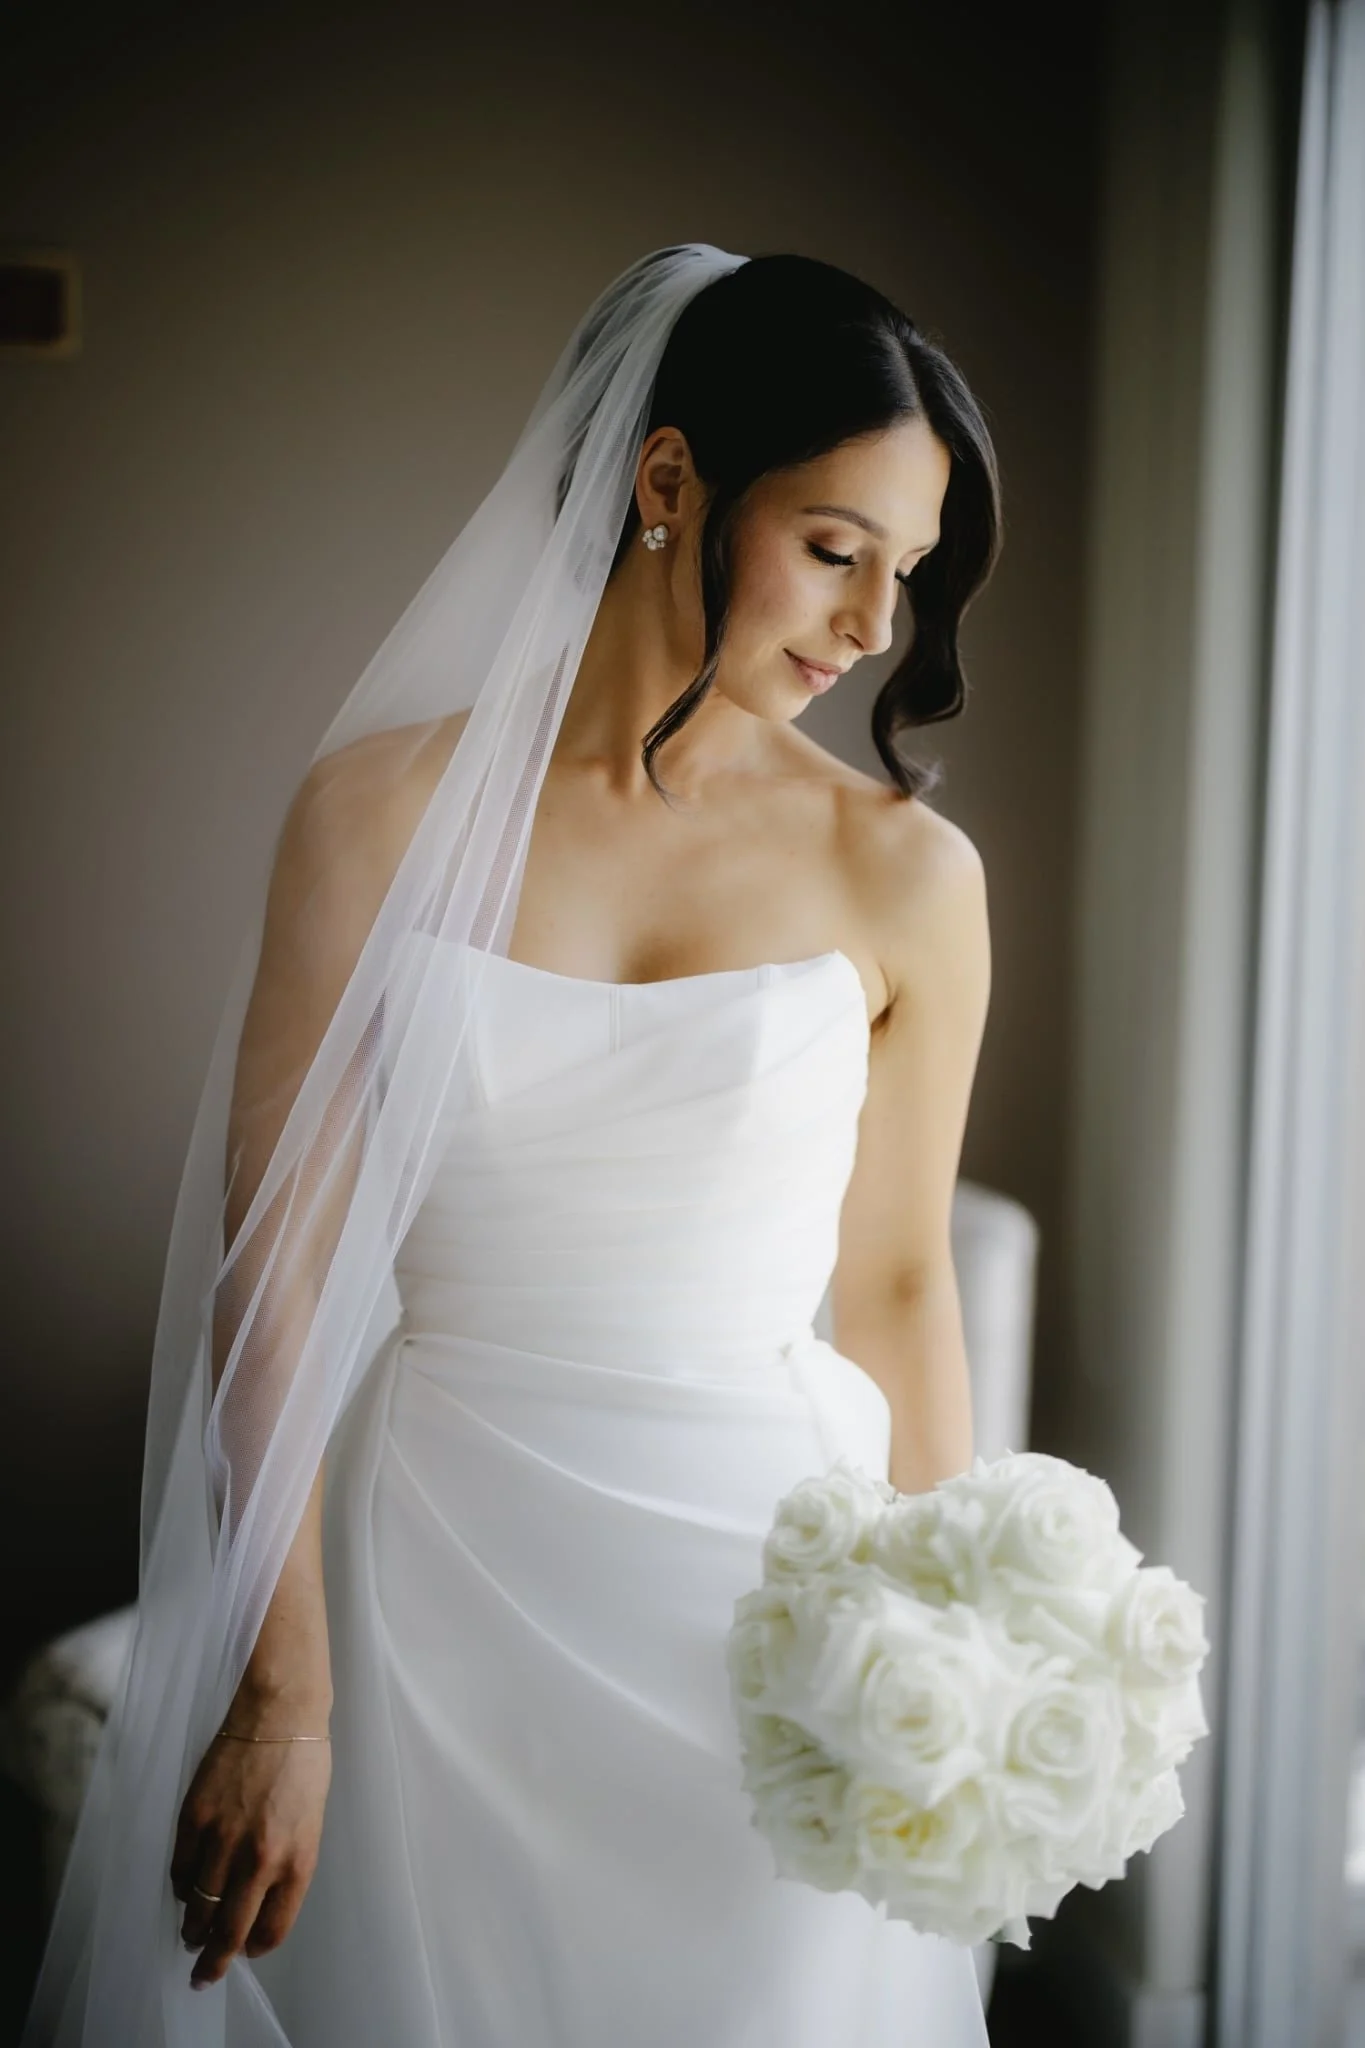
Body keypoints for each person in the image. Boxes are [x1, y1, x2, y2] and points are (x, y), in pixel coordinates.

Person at [23, 244, 1001, 2047]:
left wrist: (954, 1638)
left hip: (767, 1605)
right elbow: (279, 1268)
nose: (874, 631)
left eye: (909, 576)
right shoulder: (372, 819)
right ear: (666, 482)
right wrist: (282, 1690)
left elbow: (894, 1278)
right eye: (836, 549)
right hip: (431, 1586)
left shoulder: (907, 877)